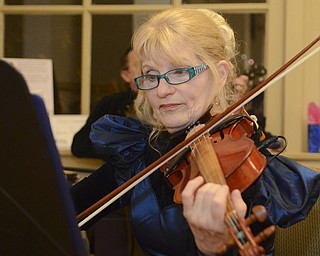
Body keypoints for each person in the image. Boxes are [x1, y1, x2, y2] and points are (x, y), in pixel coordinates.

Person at [71, 8, 320, 255]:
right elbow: (69, 210)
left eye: (179, 71)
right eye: (150, 75)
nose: (162, 90)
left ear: (220, 74)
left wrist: (212, 249)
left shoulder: (242, 166)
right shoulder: (146, 148)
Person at [71, 47, 139, 158]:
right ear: (126, 75)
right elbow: (80, 145)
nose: (145, 70)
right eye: (139, 64)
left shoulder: (163, 102)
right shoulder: (110, 103)